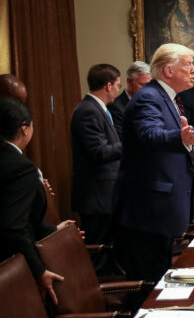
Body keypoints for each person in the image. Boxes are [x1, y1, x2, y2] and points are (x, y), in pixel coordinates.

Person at [112, 43, 194, 283]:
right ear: (168, 71)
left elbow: (181, 133)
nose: (193, 70)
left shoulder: (166, 97)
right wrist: (182, 137)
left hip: (159, 210)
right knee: (150, 285)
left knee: (159, 277)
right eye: (187, 65)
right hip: (148, 211)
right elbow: (151, 135)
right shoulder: (147, 98)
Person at [0, 97, 78, 305]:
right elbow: (13, 227)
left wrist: (53, 230)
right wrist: (39, 271)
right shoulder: (21, 168)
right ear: (24, 129)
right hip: (10, 267)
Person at [70, 64, 122, 272]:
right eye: (117, 85)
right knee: (98, 257)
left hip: (106, 195)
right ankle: (96, 300)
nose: (118, 90)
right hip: (96, 197)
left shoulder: (99, 109)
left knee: (109, 252)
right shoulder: (87, 111)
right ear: (108, 86)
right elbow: (99, 153)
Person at [108, 61, 151, 139]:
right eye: (142, 85)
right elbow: (122, 140)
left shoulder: (151, 102)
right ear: (129, 83)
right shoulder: (115, 107)